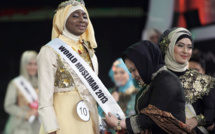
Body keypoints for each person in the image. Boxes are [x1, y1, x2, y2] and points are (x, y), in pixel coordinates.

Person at [37, 0, 100, 134]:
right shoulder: (49, 51)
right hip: (62, 119)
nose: (82, 20)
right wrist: (51, 128)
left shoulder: (90, 52)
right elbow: (44, 98)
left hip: (87, 117)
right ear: (62, 19)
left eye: (85, 16)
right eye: (75, 15)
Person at [105, 40, 194, 134]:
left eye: (133, 70)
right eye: (130, 71)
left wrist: (120, 123)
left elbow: (153, 116)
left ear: (145, 62)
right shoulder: (148, 86)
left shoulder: (166, 79)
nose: (133, 75)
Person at [158, 27, 215, 134]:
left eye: (189, 47)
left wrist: (196, 120)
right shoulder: (156, 78)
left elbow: (211, 111)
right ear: (168, 47)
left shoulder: (200, 80)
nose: (186, 51)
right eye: (180, 45)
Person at [4, 51, 40, 134]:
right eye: (30, 64)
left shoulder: (41, 83)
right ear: (24, 65)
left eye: (35, 64)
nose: (33, 67)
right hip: (21, 125)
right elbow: (8, 106)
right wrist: (26, 114)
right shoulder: (15, 83)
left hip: (38, 125)